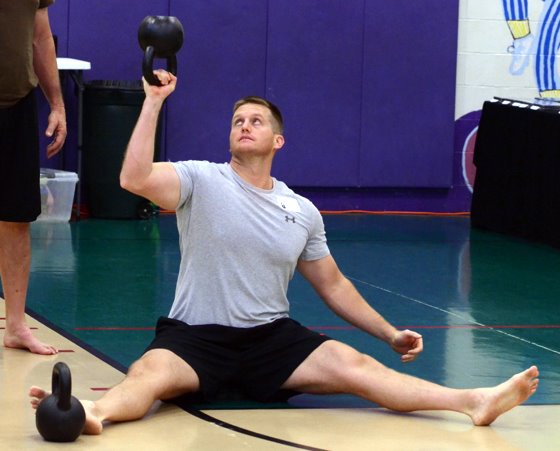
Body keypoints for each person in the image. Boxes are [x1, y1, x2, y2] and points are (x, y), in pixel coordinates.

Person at [30, 70, 539, 434]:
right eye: (237, 120)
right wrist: (153, 102)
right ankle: (88, 414)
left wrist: (389, 333)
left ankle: (474, 401)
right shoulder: (199, 179)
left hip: (271, 340)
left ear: (278, 140)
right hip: (196, 338)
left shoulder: (301, 209)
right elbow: (132, 178)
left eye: (255, 120)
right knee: (148, 376)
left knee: (357, 368)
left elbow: (333, 284)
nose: (244, 125)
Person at [0, 0, 67, 354]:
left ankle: (15, 326)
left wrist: (56, 103)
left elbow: (40, 34)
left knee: (16, 216)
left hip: (17, 102)